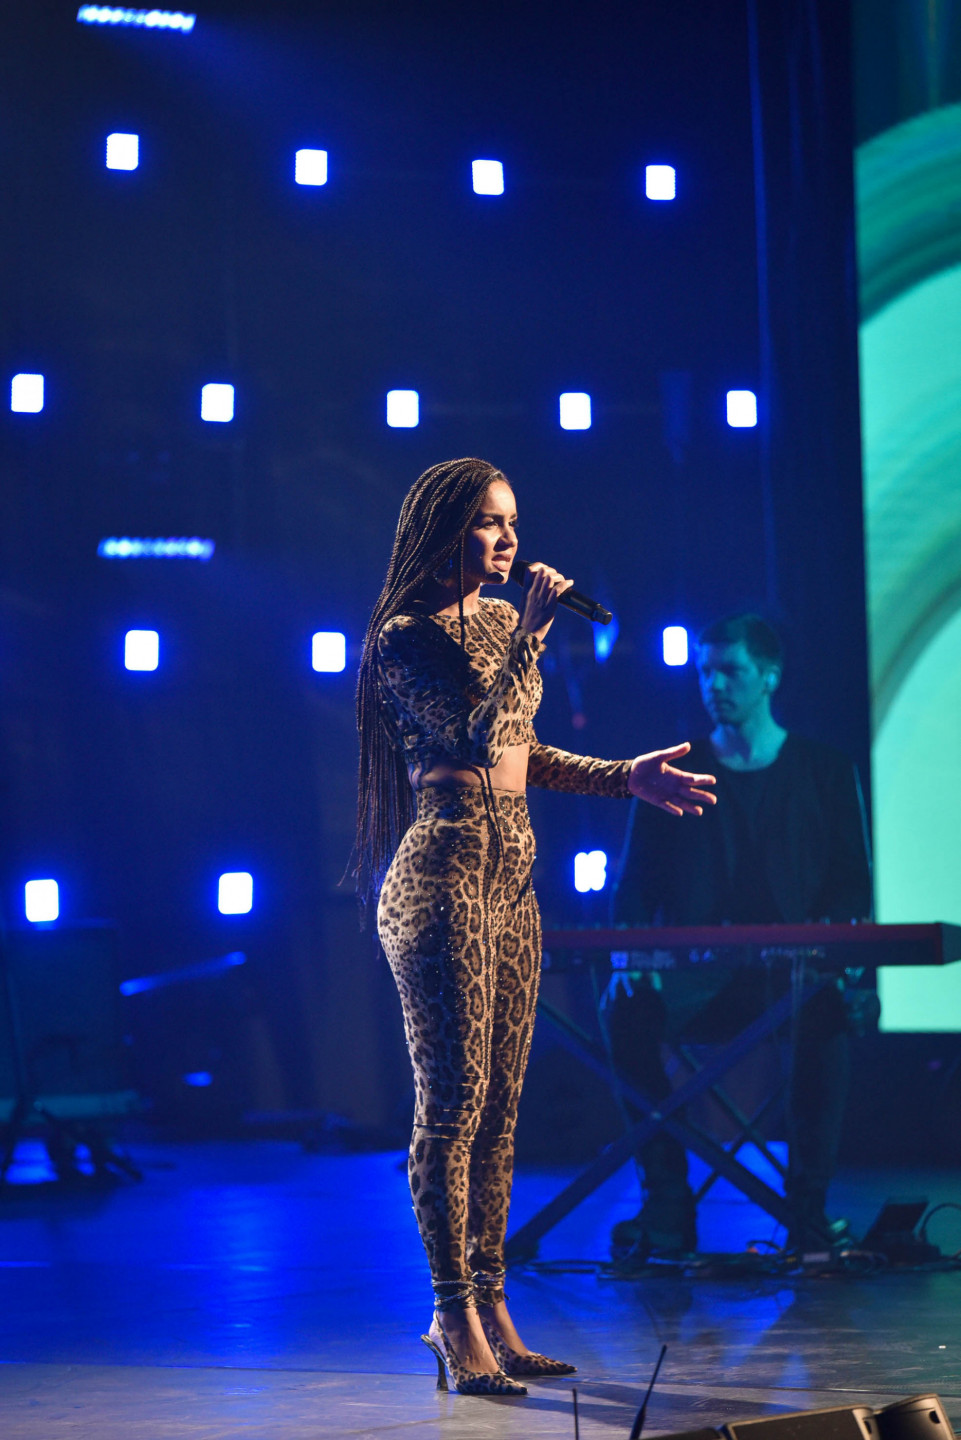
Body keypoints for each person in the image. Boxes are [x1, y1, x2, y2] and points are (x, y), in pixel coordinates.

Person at [354, 457, 716, 1397]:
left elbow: (521, 751)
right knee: (454, 1105)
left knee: (501, 1112)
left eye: (511, 520)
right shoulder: (404, 637)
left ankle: (492, 1305)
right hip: (441, 884)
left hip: (512, 886)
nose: (508, 538)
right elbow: (475, 736)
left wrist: (623, 777)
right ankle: (449, 1314)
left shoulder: (498, 622)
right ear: (443, 531)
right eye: (487, 521)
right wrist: (533, 636)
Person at [607, 613, 873, 1258]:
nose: (714, 685)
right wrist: (628, 956)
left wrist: (836, 951)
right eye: (705, 672)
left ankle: (807, 1211)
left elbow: (851, 886)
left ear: (769, 676)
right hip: (699, 978)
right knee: (626, 1010)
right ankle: (667, 1205)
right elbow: (635, 887)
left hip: (794, 976)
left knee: (827, 1010)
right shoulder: (674, 771)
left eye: (730, 671)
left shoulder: (825, 770)